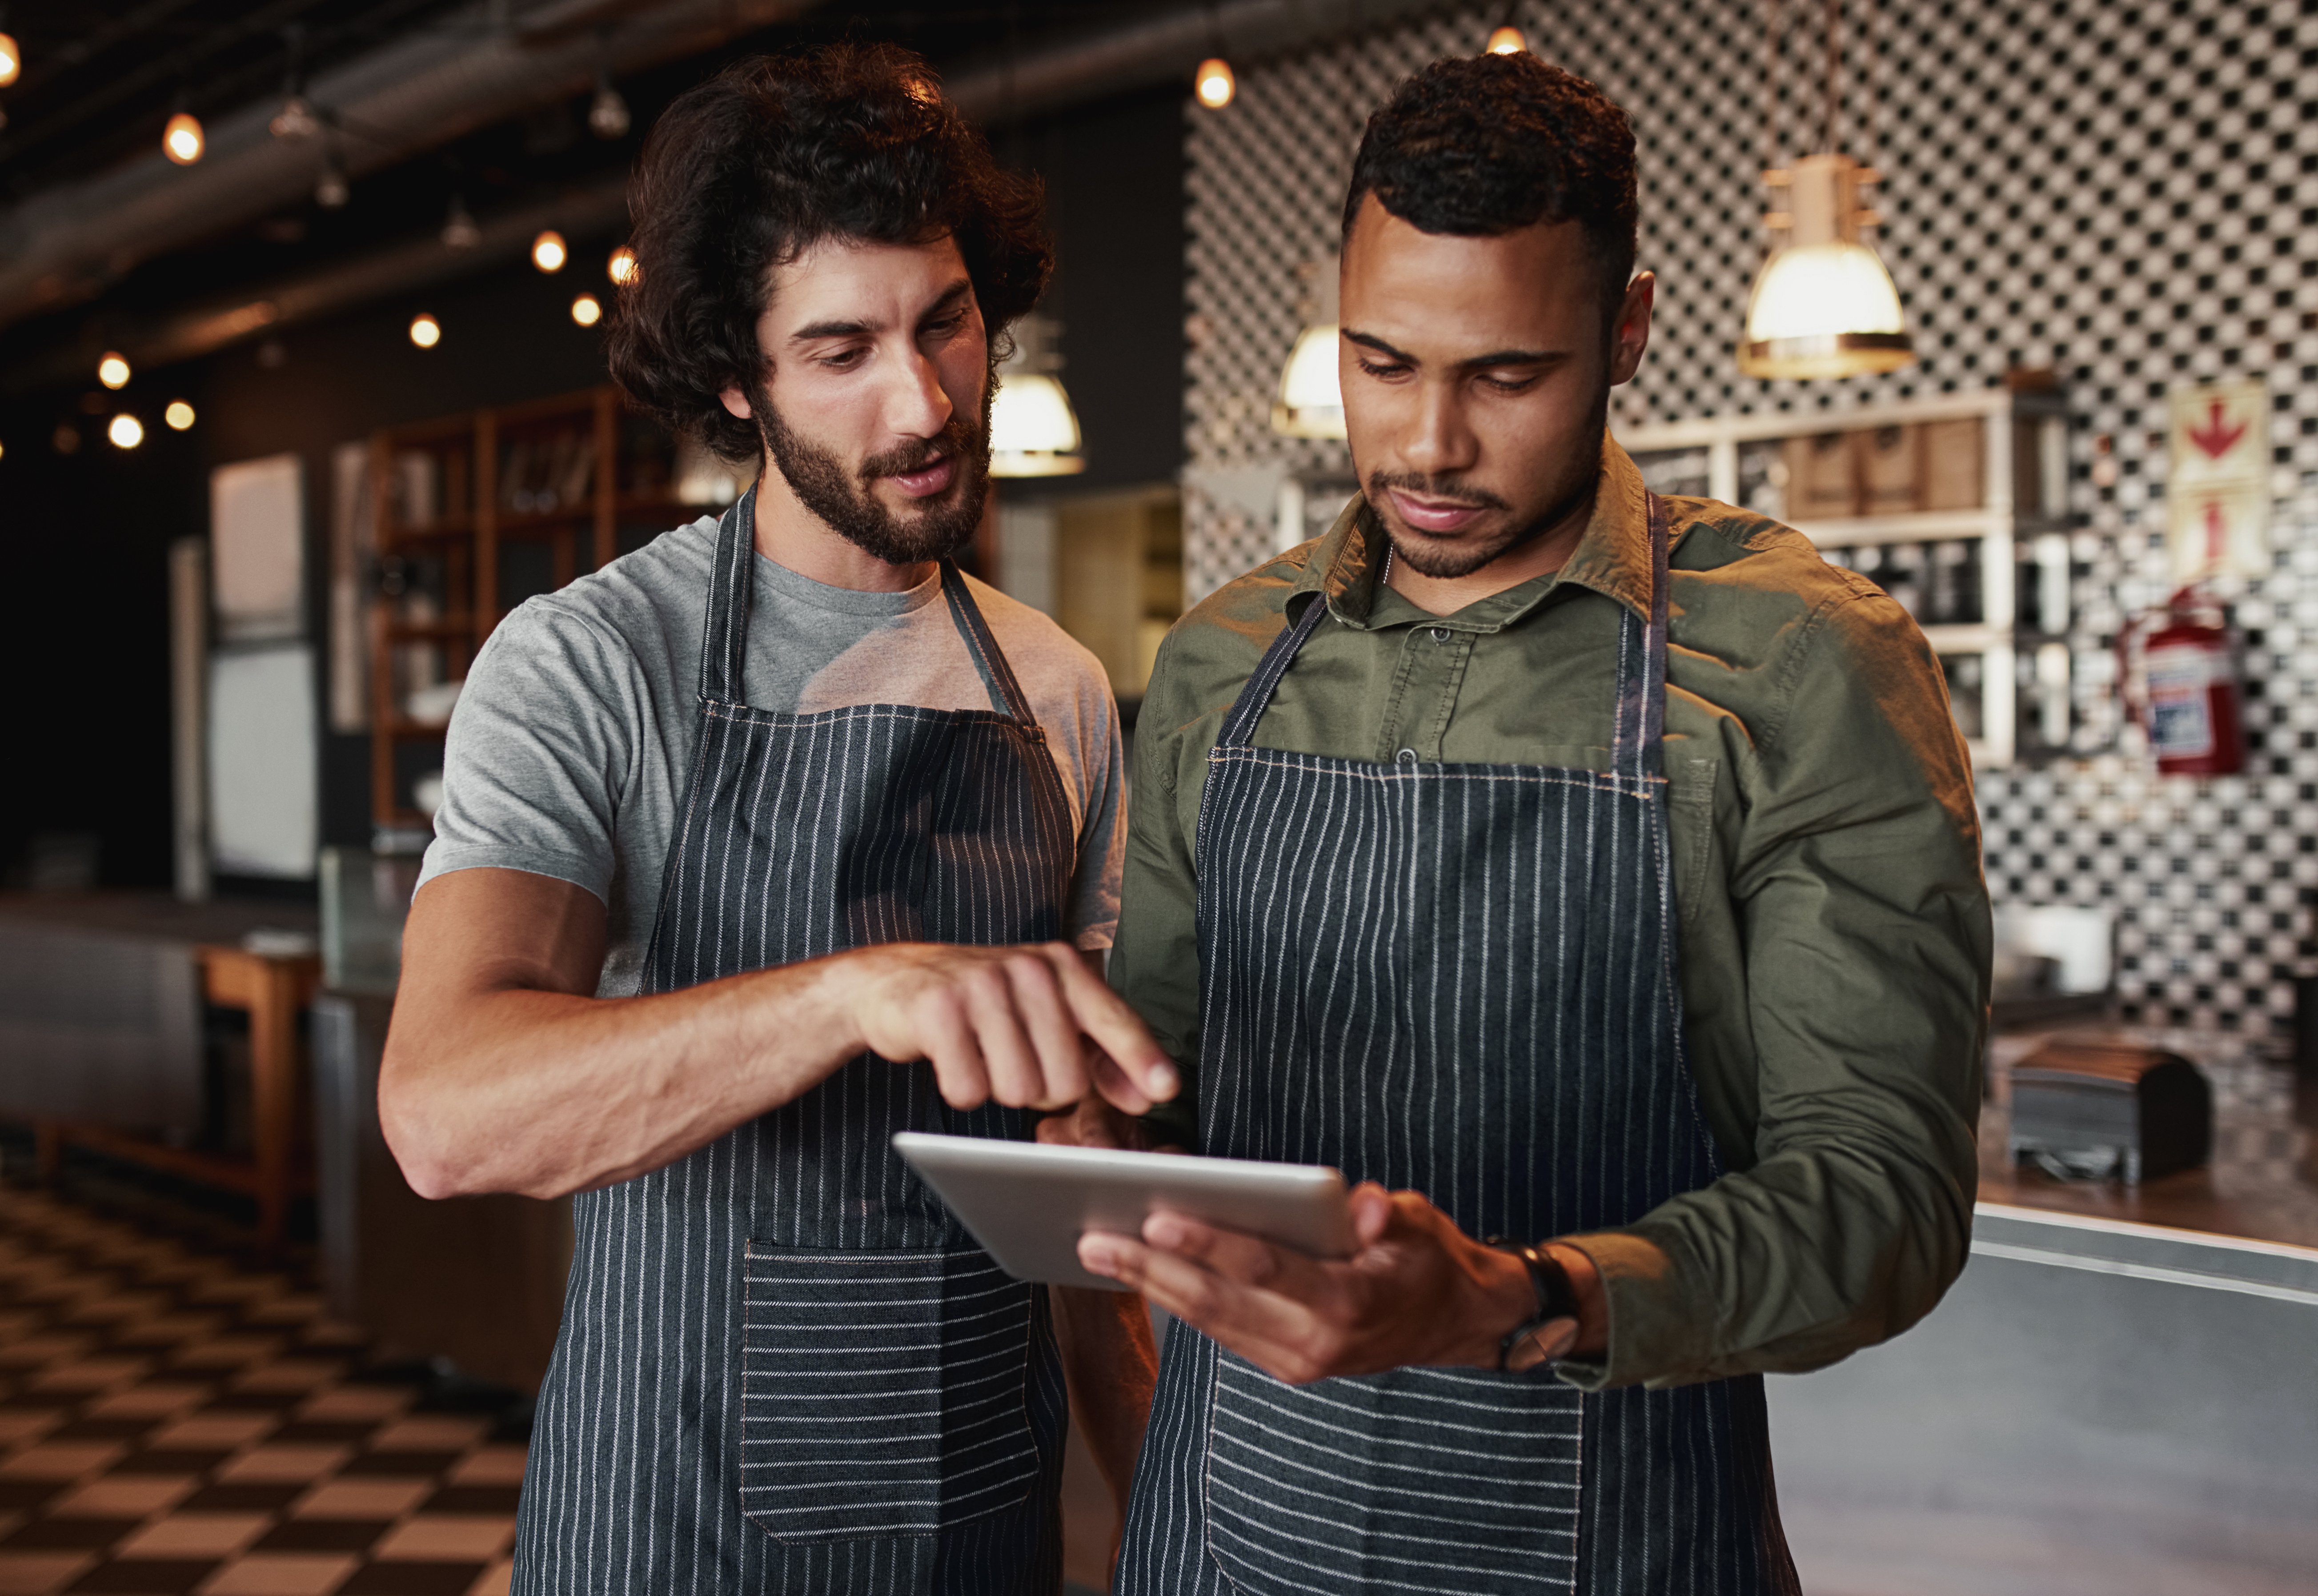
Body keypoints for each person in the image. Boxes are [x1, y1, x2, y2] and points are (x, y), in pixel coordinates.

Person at [1078, 52, 1990, 1596]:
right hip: (1228, 1528)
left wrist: (1515, 1298)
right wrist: (1091, 1125)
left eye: (1506, 376)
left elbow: (1881, 1196)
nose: (1428, 445)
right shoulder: (1229, 657)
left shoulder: (1800, 662)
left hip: (1607, 1537)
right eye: (1382, 362)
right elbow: (1165, 1073)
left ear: (1627, 328)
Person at [377, 44, 1174, 1595]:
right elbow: (446, 1114)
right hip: (676, 1524)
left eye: (946, 322)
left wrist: (1154, 1489)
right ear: (736, 382)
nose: (925, 398)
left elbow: (1085, 1172)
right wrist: (853, 991)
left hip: (979, 1526)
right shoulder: (597, 662)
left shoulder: (1058, 689)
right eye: (840, 349)